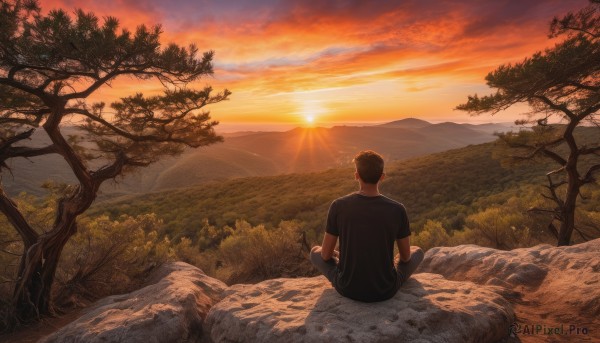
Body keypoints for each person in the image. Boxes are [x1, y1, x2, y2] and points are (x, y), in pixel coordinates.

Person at [310, 150, 424, 302]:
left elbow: (325, 256)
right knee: (418, 251)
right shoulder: (397, 209)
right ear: (382, 177)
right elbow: (405, 257)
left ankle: (341, 258)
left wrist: (338, 255)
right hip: (385, 290)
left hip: (348, 288)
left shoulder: (338, 206)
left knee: (315, 252)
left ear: (356, 175)